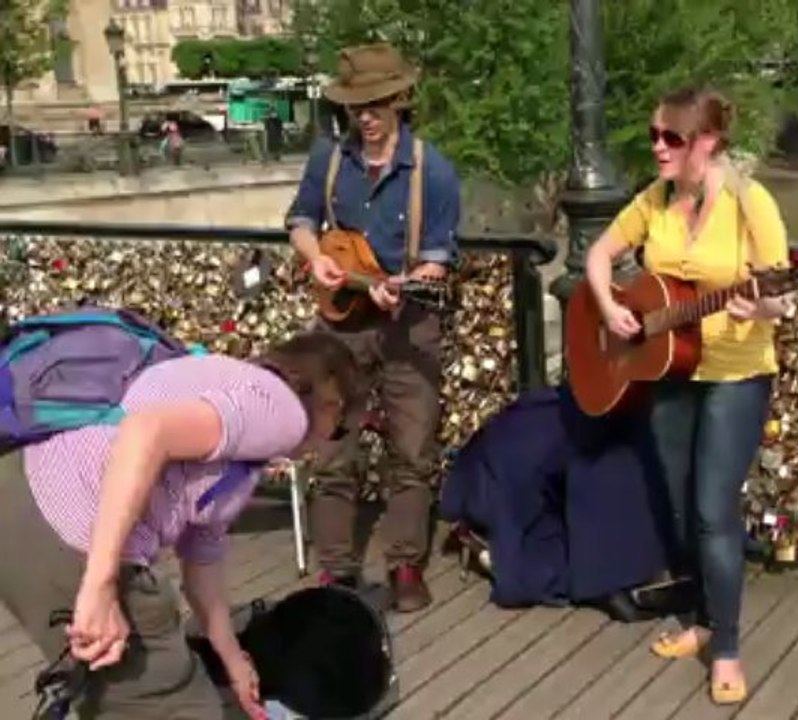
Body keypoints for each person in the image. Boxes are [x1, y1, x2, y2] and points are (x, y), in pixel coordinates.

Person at [0, 331, 363, 720]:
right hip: (69, 526)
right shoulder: (282, 410)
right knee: (179, 706)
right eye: (338, 430)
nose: (324, 445)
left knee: (122, 697)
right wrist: (100, 583)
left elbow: (201, 568)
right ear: (331, 403)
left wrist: (233, 660)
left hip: (21, 493)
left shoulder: (226, 395)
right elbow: (145, 433)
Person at [583, 86, 791, 705]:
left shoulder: (752, 202)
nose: (656, 147)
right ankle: (699, 621)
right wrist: (608, 307)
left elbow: (781, 296)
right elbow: (599, 254)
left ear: (708, 142)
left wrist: (766, 303)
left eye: (670, 137)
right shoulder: (656, 200)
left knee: (711, 510)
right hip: (671, 370)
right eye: (653, 135)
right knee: (677, 503)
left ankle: (725, 646)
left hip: (735, 371)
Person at [284, 43, 461, 612]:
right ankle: (336, 571)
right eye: (357, 106)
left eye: (377, 104)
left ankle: (405, 563)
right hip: (339, 326)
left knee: (412, 447)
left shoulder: (431, 170)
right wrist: (315, 258)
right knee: (335, 448)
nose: (365, 116)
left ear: (398, 104)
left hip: (408, 323)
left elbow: (438, 257)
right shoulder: (329, 159)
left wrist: (407, 284)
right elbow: (301, 219)